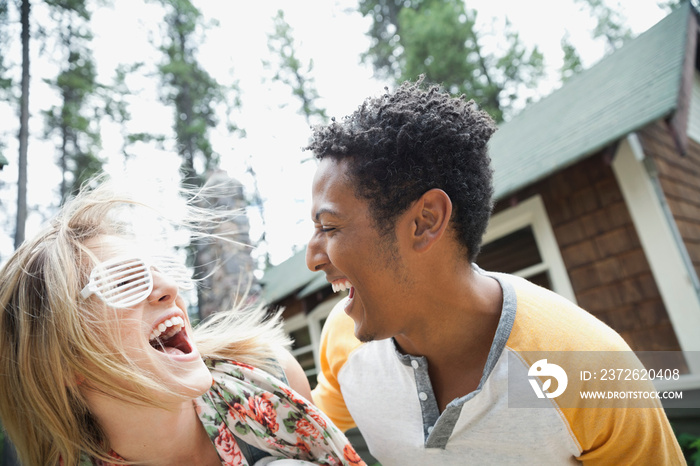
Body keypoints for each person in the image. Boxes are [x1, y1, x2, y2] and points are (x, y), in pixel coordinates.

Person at [304, 77, 684, 465]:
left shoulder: (589, 365)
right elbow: (294, 435)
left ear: (425, 221)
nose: (313, 258)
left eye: (329, 227)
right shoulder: (342, 340)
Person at [0, 177, 366, 466]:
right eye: (125, 281)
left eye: (161, 270)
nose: (169, 287)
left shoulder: (274, 377)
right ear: (65, 361)